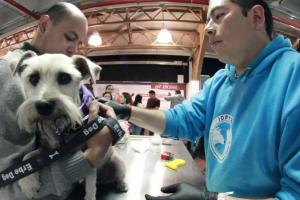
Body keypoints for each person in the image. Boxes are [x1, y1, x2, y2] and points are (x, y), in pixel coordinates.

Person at [103, 0, 300, 199]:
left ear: (256, 17)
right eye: (207, 21)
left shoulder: (293, 76)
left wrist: (213, 199)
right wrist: (127, 111)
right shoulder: (220, 82)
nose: (207, 29)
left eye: (219, 16)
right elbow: (181, 119)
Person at [0, 2, 117, 200]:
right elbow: (8, 187)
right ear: (44, 25)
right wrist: (93, 154)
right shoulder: (7, 75)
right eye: (70, 38)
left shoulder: (66, 68)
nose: (74, 48)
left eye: (79, 42)